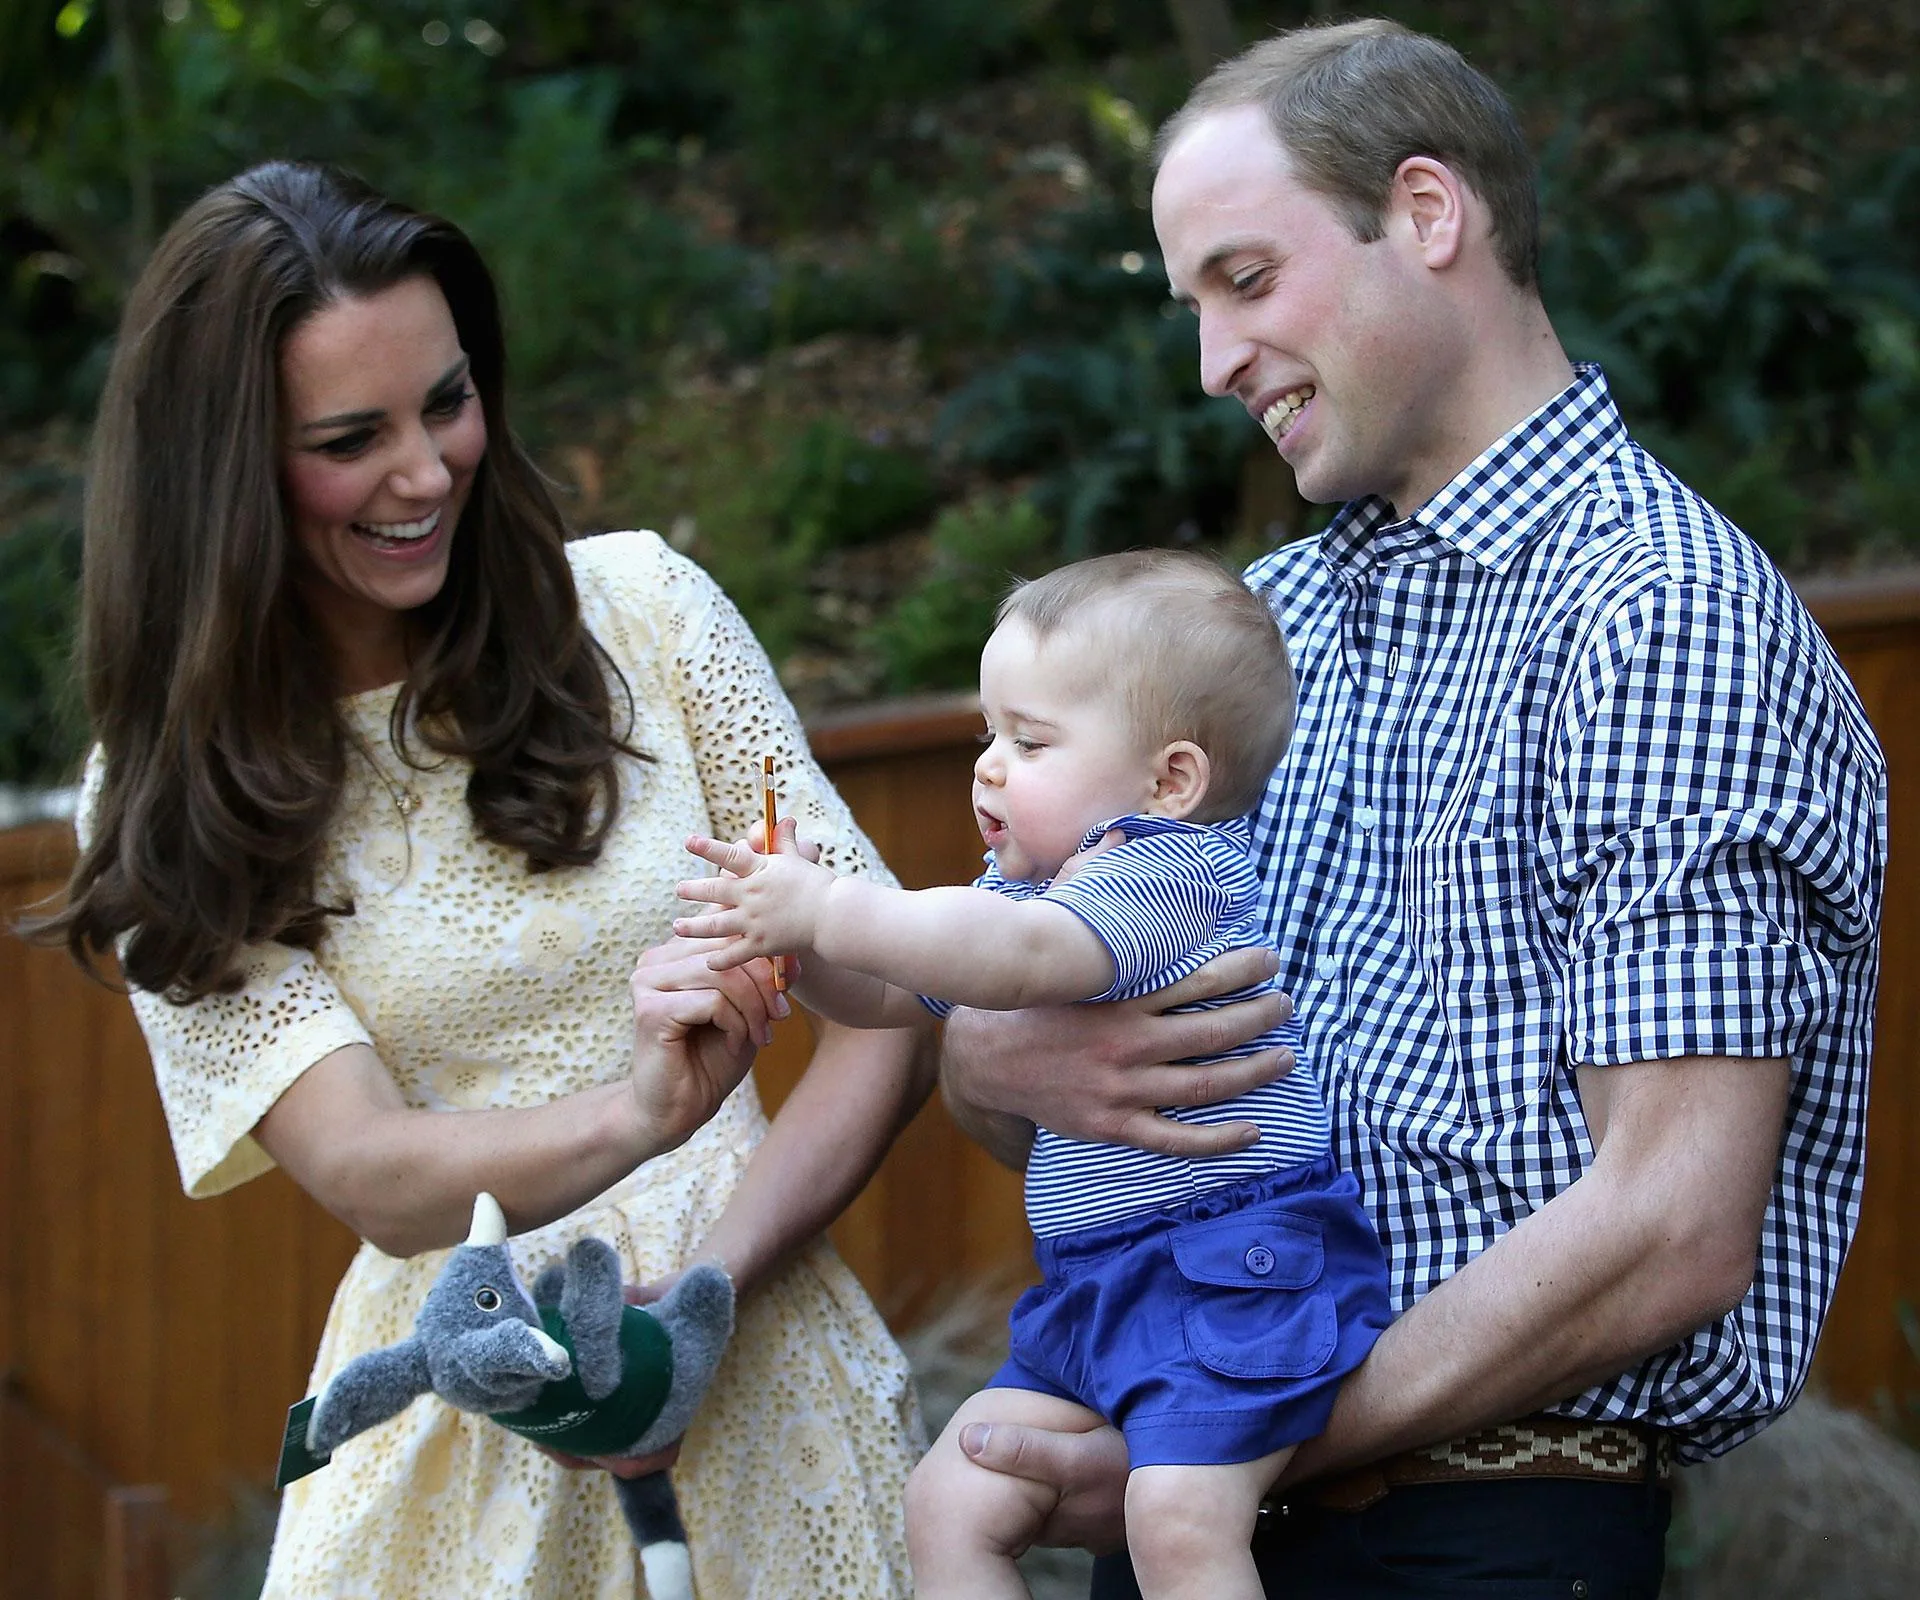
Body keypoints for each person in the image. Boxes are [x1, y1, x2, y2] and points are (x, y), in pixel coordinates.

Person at [935, 19, 1886, 1600]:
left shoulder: (1661, 616)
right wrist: (990, 1050)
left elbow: (1671, 1220)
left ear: (1428, 215)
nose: (1212, 362)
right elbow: (1041, 1072)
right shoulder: (1262, 630)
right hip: (1208, 1498)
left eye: (1245, 282)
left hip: (1478, 1535)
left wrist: (1235, 1455)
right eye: (1193, 308)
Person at [35, 161, 926, 1598]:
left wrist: (699, 1303)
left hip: (766, 1391)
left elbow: (891, 1010)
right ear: (222, 473)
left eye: (447, 402)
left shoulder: (645, 614)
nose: (427, 469)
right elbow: (378, 1178)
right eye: (349, 437)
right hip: (451, 1444)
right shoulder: (164, 798)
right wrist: (640, 1111)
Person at [672, 548, 1393, 1600]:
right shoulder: (1032, 888)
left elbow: (1015, 963)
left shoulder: (1166, 869)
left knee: (1178, 1517)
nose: (988, 767)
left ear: (1170, 778)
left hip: (1231, 1271)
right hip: (1105, 1287)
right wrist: (801, 950)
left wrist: (833, 910)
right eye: (986, 734)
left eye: (1029, 740)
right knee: (949, 1497)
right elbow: (896, 996)